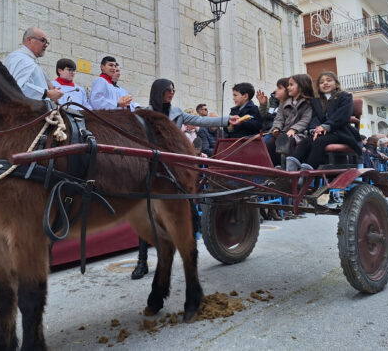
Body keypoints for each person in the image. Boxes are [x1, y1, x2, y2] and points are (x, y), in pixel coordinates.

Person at [130, 78, 239, 279]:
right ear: (158, 92)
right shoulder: (142, 113)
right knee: (145, 212)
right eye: (168, 90)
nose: (171, 93)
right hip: (150, 167)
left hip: (172, 165)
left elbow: (201, 121)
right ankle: (142, 261)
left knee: (183, 201)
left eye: (173, 89)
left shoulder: (177, 112)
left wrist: (226, 120)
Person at [288, 71, 362, 171]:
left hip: (340, 132)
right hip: (321, 133)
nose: (325, 83)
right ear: (319, 87)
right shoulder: (316, 101)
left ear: (336, 84)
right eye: (321, 82)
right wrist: (314, 130)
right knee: (306, 141)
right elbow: (314, 118)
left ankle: (307, 172)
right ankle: (291, 169)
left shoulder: (345, 96)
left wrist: (325, 126)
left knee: (319, 141)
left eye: (329, 80)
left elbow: (342, 115)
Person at [3, 28, 63, 103]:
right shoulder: (21, 59)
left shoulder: (27, 59)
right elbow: (18, 88)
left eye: (47, 42)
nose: (46, 45)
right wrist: (48, 93)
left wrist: (51, 94)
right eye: (42, 40)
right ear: (29, 40)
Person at [266, 74, 313, 166]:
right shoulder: (283, 103)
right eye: (288, 85)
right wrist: (276, 128)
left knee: (287, 141)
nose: (288, 87)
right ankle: (275, 167)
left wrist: (293, 129)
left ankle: (288, 167)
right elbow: (279, 119)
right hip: (284, 133)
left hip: (300, 134)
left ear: (301, 87)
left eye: (291, 85)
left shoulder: (308, 103)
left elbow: (305, 120)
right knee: (271, 142)